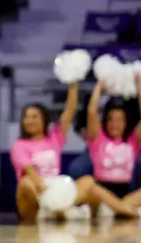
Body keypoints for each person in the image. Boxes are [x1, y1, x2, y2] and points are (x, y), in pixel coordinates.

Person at [11, 86, 123, 221]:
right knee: (25, 183)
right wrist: (44, 190)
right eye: (26, 117)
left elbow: (70, 112)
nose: (29, 121)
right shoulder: (19, 145)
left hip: (57, 189)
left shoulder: (54, 138)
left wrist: (73, 84)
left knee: (88, 181)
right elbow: (29, 170)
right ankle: (56, 210)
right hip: (37, 192)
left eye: (34, 117)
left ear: (44, 120)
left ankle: (59, 209)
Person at [80, 79, 141, 217]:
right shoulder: (98, 139)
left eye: (119, 120)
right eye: (111, 119)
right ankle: (123, 209)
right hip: (101, 192)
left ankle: (117, 208)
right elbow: (91, 112)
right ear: (105, 122)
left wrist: (140, 91)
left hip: (125, 193)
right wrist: (99, 87)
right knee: (90, 185)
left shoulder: (132, 141)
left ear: (126, 123)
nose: (114, 124)